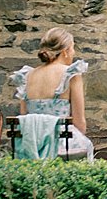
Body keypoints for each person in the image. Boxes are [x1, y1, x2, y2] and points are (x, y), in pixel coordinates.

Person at [10, 30, 95, 161]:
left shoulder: (26, 76)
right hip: (61, 145)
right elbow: (79, 122)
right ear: (65, 51)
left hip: (30, 145)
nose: (73, 53)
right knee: (86, 146)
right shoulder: (71, 74)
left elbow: (24, 116)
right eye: (72, 48)